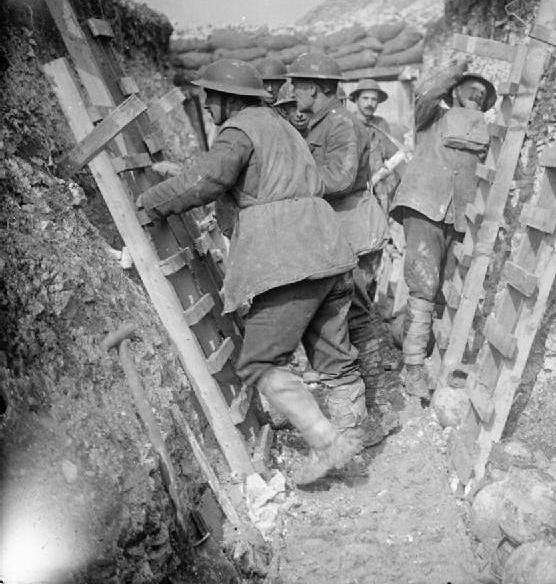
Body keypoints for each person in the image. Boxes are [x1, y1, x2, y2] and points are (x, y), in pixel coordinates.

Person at [136, 59, 366, 484]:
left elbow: (210, 178)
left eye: (210, 97)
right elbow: (250, 174)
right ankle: (354, 439)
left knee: (258, 362)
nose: (206, 105)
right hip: (327, 248)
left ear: (229, 99)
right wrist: (182, 175)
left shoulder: (239, 128)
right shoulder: (280, 126)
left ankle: (328, 444)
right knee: (333, 355)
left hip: (287, 257)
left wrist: (151, 201)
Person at [288, 53, 396, 444]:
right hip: (341, 229)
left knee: (356, 317)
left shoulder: (340, 124)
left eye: (298, 85)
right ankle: (378, 407)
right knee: (353, 316)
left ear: (314, 88)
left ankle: (380, 407)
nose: (293, 91)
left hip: (354, 229)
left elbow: (341, 176)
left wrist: (291, 176)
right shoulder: (324, 122)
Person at [389, 58, 496, 398]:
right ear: (456, 91)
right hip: (423, 206)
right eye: (471, 89)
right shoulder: (431, 117)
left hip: (458, 217)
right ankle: (414, 370)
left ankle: (415, 348)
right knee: (423, 285)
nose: (476, 96)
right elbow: (425, 93)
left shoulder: (484, 133)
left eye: (483, 94)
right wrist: (455, 68)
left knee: (440, 291)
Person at [348, 78, 399, 214]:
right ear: (356, 100)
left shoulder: (380, 124)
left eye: (374, 99)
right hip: (354, 194)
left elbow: (394, 154)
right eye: (365, 98)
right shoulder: (348, 124)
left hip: (379, 193)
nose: (369, 103)